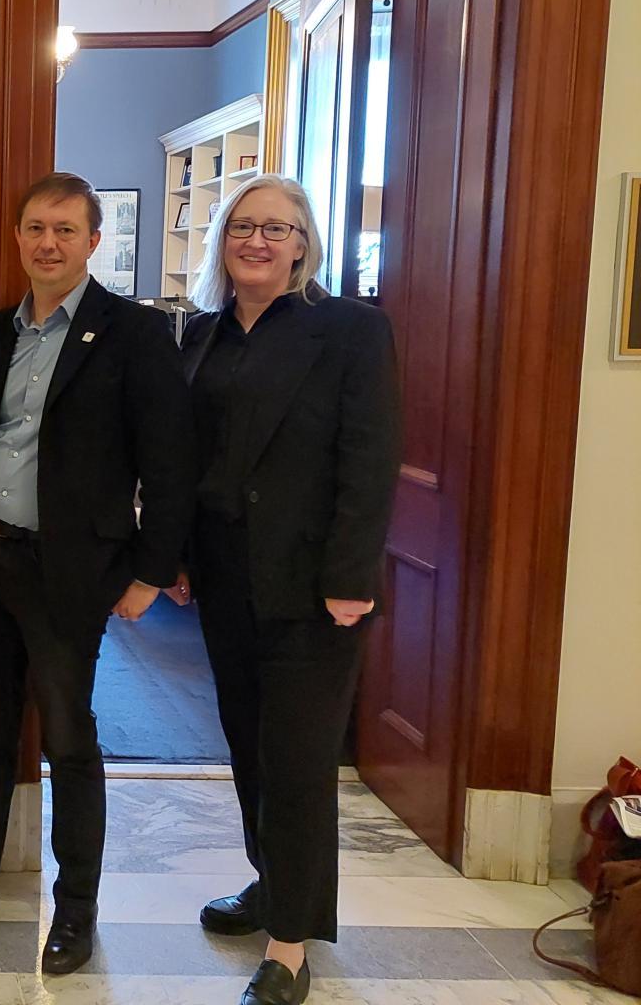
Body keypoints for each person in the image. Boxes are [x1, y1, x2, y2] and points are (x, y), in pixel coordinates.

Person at [0, 172, 197, 975]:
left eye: (65, 229)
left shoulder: (131, 334)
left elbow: (170, 466)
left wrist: (149, 572)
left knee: (69, 741)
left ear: (94, 241)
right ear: (17, 237)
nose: (48, 243)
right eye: (35, 228)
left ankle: (77, 910)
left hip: (70, 573)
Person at [171, 174, 401, 1005]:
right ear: (223, 242)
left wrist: (351, 577)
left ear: (304, 244)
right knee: (249, 747)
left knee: (300, 763)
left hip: (313, 587)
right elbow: (191, 462)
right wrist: (181, 556)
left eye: (276, 228)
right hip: (227, 575)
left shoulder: (348, 331)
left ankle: (291, 944)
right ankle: (271, 883)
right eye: (242, 227)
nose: (257, 240)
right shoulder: (201, 335)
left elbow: (369, 461)